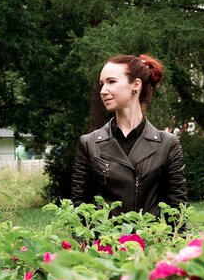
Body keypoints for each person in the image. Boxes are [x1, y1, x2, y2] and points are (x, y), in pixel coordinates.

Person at [71, 54, 187, 218]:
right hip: (105, 241)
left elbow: (178, 209)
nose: (103, 91)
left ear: (136, 85)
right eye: (101, 84)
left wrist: (172, 242)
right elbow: (80, 209)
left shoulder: (167, 144)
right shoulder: (89, 144)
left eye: (111, 82)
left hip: (153, 240)